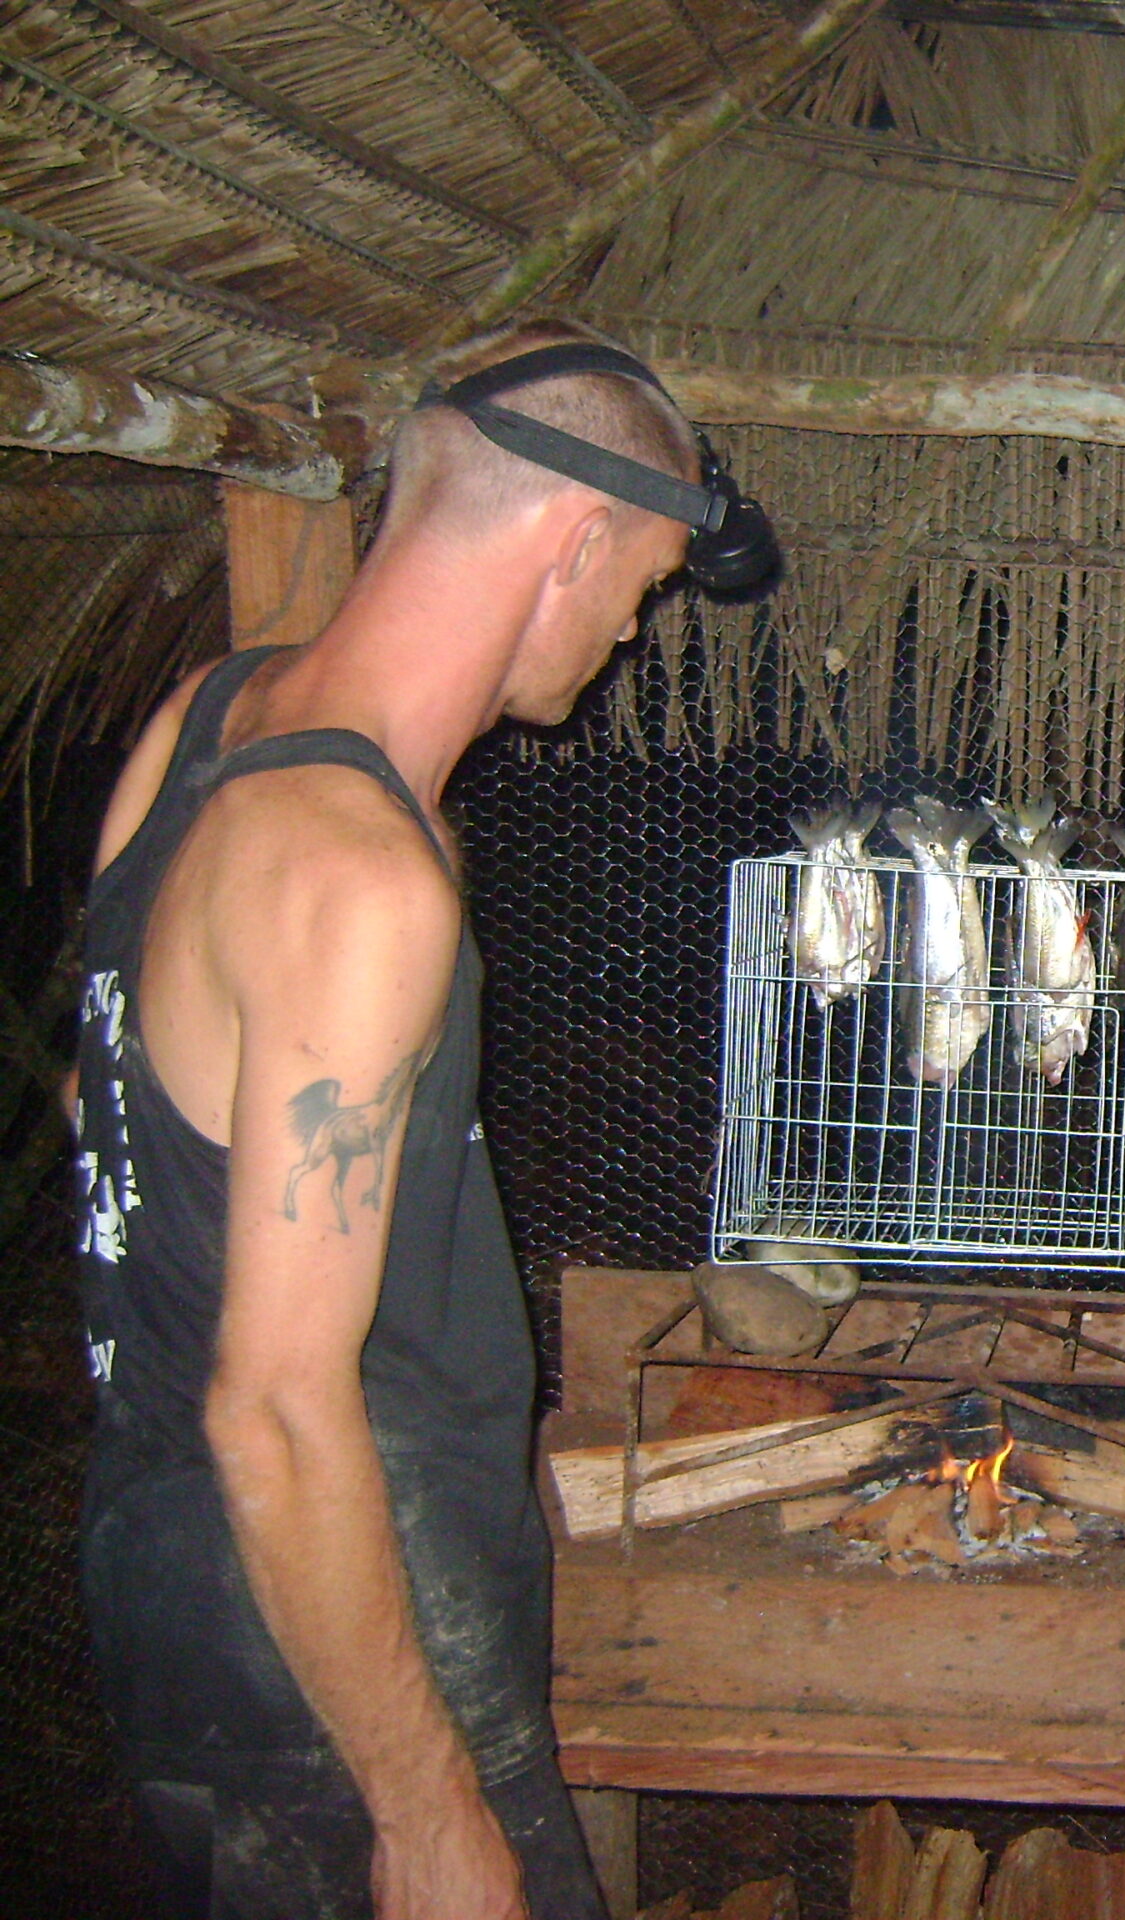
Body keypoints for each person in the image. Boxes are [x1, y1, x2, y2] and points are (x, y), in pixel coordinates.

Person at [70, 319, 749, 1918]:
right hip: (331, 1674)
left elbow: (116, 1111)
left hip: (179, 1591)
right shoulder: (358, 877)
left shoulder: (206, 723)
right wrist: (427, 1808)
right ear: (572, 540)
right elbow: (273, 1407)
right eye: (642, 584)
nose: (630, 630)